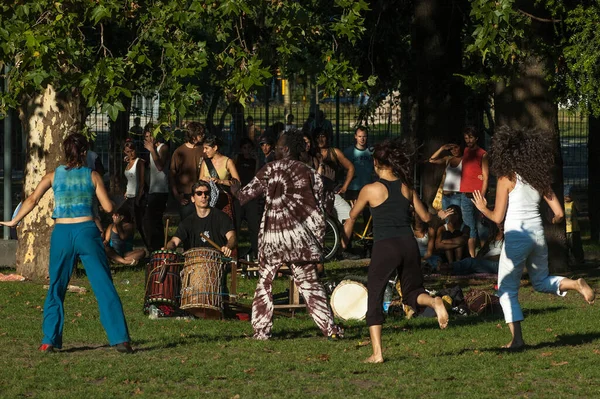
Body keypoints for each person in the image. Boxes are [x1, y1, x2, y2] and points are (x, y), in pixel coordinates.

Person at [0, 133, 133, 353]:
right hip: (87, 232)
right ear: (84, 153)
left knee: (56, 286)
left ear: (65, 152)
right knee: (103, 285)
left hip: (62, 233)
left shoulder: (53, 175)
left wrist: (15, 220)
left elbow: (32, 199)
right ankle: (121, 339)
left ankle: (49, 340)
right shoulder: (93, 175)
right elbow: (109, 208)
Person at [471, 126, 594, 349]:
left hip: (517, 236)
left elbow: (498, 216)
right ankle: (575, 284)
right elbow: (558, 214)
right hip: (537, 234)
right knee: (540, 281)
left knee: (507, 289)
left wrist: (482, 208)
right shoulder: (539, 178)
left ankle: (517, 340)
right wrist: (555, 221)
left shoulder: (506, 178)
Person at [343, 137, 449, 364]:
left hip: (386, 246)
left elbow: (352, 217)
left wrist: (343, 241)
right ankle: (434, 302)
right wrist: (438, 219)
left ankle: (377, 353)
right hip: (408, 244)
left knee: (375, 294)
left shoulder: (370, 190)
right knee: (412, 293)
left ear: (375, 163)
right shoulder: (406, 187)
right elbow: (425, 217)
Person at [230, 129, 343, 341]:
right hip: (300, 240)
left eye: (279, 147)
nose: (274, 150)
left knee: (265, 283)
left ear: (287, 149)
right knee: (310, 284)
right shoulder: (310, 173)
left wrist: (236, 189)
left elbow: (245, 195)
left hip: (273, 239)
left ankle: (261, 331)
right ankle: (330, 329)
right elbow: (325, 209)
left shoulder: (270, 169)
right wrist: (325, 182)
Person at [315, 128, 357, 260]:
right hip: (314, 194)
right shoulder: (311, 153)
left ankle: (341, 250)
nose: (321, 140)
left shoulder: (334, 152)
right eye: (318, 137)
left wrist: (344, 187)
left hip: (332, 193)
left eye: (323, 136)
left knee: (350, 215)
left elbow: (351, 167)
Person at [165, 181, 235, 257]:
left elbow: (232, 237)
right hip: (194, 263)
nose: (203, 196)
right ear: (193, 198)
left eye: (206, 193)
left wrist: (228, 247)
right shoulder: (187, 222)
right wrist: (168, 249)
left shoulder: (221, 217)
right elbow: (174, 242)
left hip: (217, 262)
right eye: (199, 193)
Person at [459, 127, 489, 257]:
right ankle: (472, 256)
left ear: (476, 138)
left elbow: (486, 176)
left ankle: (484, 252)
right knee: (468, 225)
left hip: (477, 194)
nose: (468, 140)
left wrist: (482, 195)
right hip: (465, 193)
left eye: (470, 137)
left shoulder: (483, 154)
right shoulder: (465, 151)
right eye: (466, 138)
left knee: (481, 225)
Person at [199, 135, 240, 225]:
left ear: (215, 148)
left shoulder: (228, 162)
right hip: (208, 199)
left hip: (224, 199)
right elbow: (199, 182)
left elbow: (237, 183)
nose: (204, 151)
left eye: (206, 148)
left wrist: (221, 181)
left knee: (224, 225)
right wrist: (203, 180)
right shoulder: (205, 163)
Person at [170, 121, 205, 221]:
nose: (203, 136)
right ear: (193, 136)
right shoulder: (179, 152)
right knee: (187, 223)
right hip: (185, 195)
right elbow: (172, 174)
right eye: (200, 134)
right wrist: (176, 195)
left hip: (201, 192)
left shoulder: (203, 150)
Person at [439, 221, 503, 275]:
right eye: (499, 222)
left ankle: (450, 266)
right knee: (469, 268)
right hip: (485, 261)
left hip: (499, 263)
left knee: (471, 262)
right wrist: (480, 258)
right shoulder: (493, 236)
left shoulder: (509, 238)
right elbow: (482, 250)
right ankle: (448, 270)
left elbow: (503, 257)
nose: (501, 224)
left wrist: (484, 258)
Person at [142, 127, 170, 252]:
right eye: (146, 137)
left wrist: (152, 149)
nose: (148, 139)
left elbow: (159, 166)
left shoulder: (162, 148)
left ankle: (158, 247)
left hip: (161, 190)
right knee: (149, 220)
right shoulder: (152, 151)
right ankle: (154, 247)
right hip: (153, 188)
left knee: (153, 220)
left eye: (150, 136)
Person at [234, 138, 260, 260]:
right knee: (236, 226)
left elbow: (257, 177)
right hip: (238, 196)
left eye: (249, 148)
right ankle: (235, 254)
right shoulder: (237, 159)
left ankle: (257, 253)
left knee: (254, 227)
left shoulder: (255, 161)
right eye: (245, 148)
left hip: (251, 197)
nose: (247, 151)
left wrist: (257, 160)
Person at [122, 139, 147, 247]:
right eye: (128, 151)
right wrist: (126, 192)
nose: (130, 153)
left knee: (140, 224)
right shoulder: (128, 162)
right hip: (128, 196)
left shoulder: (139, 162)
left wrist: (138, 197)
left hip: (137, 197)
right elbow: (129, 180)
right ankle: (127, 245)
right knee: (127, 222)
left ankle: (148, 245)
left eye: (132, 151)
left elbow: (142, 181)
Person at [343, 126, 374, 202]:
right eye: (360, 136)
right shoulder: (348, 152)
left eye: (364, 136)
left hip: (368, 187)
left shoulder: (372, 151)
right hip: (353, 187)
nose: (362, 139)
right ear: (355, 136)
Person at [428, 141, 462, 210]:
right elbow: (431, 160)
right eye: (451, 149)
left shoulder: (465, 160)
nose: (454, 150)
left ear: (460, 147)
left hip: (457, 195)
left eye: (456, 147)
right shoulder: (448, 159)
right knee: (446, 219)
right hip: (445, 195)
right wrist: (442, 148)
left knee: (456, 218)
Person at [564, 185, 584, 264]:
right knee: (566, 247)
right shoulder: (562, 204)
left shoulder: (573, 203)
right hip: (565, 229)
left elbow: (580, 209)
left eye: (569, 196)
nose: (567, 198)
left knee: (576, 246)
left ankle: (579, 260)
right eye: (566, 196)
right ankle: (568, 261)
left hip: (574, 229)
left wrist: (575, 200)